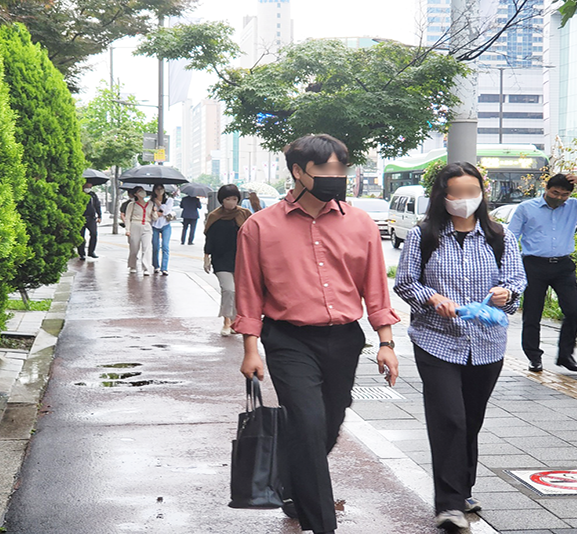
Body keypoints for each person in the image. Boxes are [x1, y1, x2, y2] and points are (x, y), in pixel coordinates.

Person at [235, 134, 400, 534]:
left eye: (340, 168)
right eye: (325, 168)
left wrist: (386, 342)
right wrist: (250, 348)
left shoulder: (360, 223)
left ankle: (293, 480)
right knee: (307, 422)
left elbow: (375, 287)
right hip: (288, 338)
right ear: (298, 171)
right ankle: (322, 524)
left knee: (328, 422)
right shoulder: (259, 227)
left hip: (344, 339)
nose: (335, 176)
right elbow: (249, 293)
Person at [394, 162, 527, 530]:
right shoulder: (424, 236)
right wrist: (432, 297)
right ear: (443, 196)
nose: (465, 199)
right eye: (458, 193)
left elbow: (516, 281)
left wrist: (506, 294)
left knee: (470, 420)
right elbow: (405, 282)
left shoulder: (499, 236)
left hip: (486, 345)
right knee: (449, 419)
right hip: (436, 341)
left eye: (472, 192)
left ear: (482, 194)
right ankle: (449, 504)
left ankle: (463, 489)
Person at [508, 173, 577, 373]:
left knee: (574, 311)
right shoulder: (526, 208)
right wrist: (510, 266)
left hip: (563, 265)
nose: (559, 198)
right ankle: (534, 357)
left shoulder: (574, 206)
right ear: (546, 188)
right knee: (532, 313)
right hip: (533, 265)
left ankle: (565, 355)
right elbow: (511, 237)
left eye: (564, 195)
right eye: (555, 193)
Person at [204, 185, 251, 336]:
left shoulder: (244, 214)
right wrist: (206, 257)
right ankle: (226, 322)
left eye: (234, 199)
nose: (231, 202)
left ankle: (234, 321)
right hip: (220, 259)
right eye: (228, 199)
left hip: (241, 258)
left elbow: (253, 235)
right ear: (222, 200)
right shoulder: (214, 216)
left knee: (238, 292)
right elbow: (209, 238)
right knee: (229, 290)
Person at [122, 186, 155, 276]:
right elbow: (127, 218)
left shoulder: (150, 204)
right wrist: (127, 229)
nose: (142, 192)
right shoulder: (132, 204)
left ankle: (146, 267)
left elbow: (154, 218)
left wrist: (154, 211)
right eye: (139, 191)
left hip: (147, 226)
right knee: (134, 248)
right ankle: (132, 266)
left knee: (146, 247)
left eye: (143, 190)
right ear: (135, 194)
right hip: (135, 225)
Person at [151, 184, 174, 275]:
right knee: (155, 246)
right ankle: (156, 266)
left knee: (165, 246)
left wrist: (159, 204)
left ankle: (164, 268)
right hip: (154, 225)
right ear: (154, 190)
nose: (159, 191)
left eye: (161, 189)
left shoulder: (169, 200)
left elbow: (166, 212)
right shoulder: (151, 201)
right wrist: (157, 211)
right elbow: (151, 213)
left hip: (166, 225)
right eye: (157, 189)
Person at [78, 182, 101, 260]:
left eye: (90, 186)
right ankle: (81, 253)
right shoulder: (79, 194)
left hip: (91, 218)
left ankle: (91, 251)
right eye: (87, 186)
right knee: (81, 236)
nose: (89, 187)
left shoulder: (93, 195)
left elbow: (97, 205)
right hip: (81, 217)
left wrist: (99, 216)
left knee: (94, 234)